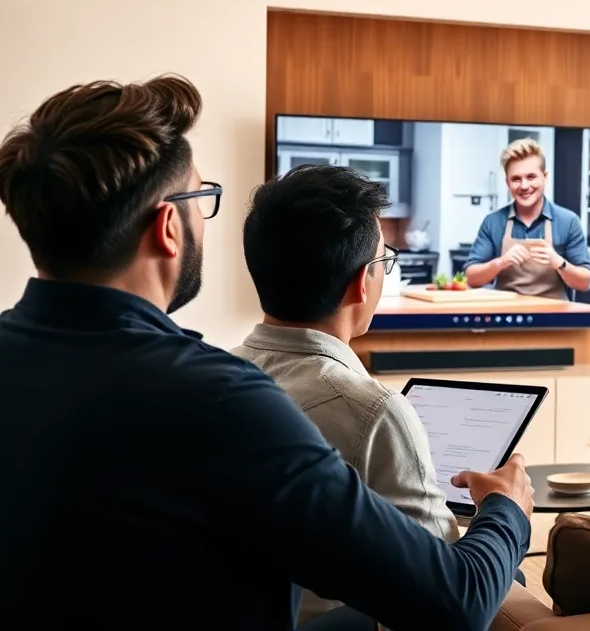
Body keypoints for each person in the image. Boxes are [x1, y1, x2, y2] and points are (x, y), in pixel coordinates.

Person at [0, 75, 534, 631]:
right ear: (167, 227)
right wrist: (507, 510)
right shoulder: (221, 403)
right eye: (200, 200)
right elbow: (458, 601)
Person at [231, 164, 470, 625]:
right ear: (362, 281)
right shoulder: (372, 409)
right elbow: (451, 590)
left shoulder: (216, 377)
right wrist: (506, 510)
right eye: (384, 262)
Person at [463, 138, 590, 300]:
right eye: (516, 179)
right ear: (507, 182)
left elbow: (585, 283)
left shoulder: (568, 221)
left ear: (545, 177)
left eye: (531, 177)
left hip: (554, 320)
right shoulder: (493, 222)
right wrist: (500, 263)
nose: (524, 186)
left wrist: (559, 263)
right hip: (506, 318)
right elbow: (470, 277)